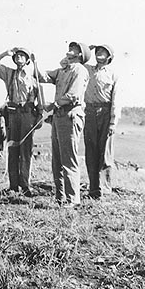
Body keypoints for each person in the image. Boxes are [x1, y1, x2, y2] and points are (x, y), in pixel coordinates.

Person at [0, 47, 45, 196]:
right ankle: (13, 186)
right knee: (12, 149)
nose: (19, 58)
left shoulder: (34, 77)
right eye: (17, 55)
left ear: (27, 60)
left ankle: (25, 185)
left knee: (26, 150)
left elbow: (41, 101)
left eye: (22, 56)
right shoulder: (9, 73)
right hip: (13, 114)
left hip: (28, 114)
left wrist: (39, 116)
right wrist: (4, 54)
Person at [42, 42, 90, 207]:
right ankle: (60, 197)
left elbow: (73, 95)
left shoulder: (79, 70)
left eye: (73, 49)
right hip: (58, 117)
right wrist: (30, 64)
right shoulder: (63, 71)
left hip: (70, 115)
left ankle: (72, 199)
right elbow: (43, 76)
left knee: (68, 159)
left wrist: (52, 105)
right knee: (57, 159)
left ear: (79, 55)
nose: (68, 51)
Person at [84, 44, 120, 198]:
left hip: (105, 113)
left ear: (109, 57)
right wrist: (85, 49)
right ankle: (93, 189)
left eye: (103, 52)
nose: (99, 54)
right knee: (90, 152)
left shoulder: (113, 75)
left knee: (105, 153)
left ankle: (104, 190)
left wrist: (113, 122)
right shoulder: (86, 70)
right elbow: (66, 62)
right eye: (97, 51)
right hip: (89, 113)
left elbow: (116, 100)